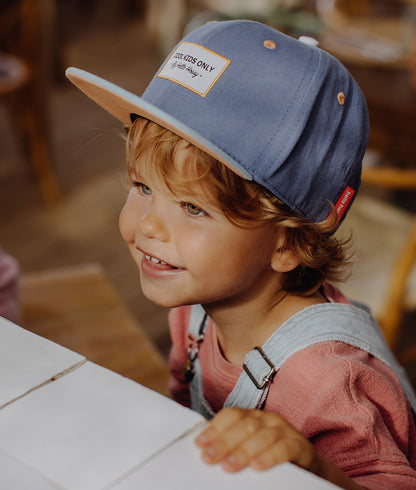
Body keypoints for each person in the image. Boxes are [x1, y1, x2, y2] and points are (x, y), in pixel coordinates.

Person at [66, 19, 416, 489]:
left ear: (290, 244)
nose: (148, 224)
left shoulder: (329, 383)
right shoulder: (192, 306)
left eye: (192, 207)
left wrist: (314, 467)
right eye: (143, 186)